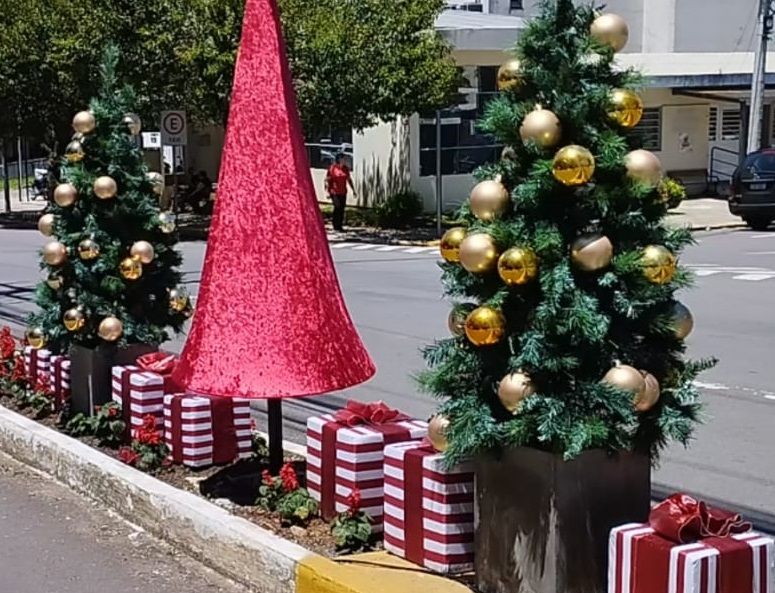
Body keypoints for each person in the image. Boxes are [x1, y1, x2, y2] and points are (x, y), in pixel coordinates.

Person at [325, 152, 355, 232]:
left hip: (343, 192)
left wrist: (353, 190)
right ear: (339, 159)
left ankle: (339, 226)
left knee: (342, 208)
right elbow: (327, 180)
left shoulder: (345, 169)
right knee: (337, 207)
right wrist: (327, 191)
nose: (345, 160)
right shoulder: (333, 168)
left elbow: (349, 179)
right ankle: (335, 224)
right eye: (343, 159)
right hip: (334, 191)